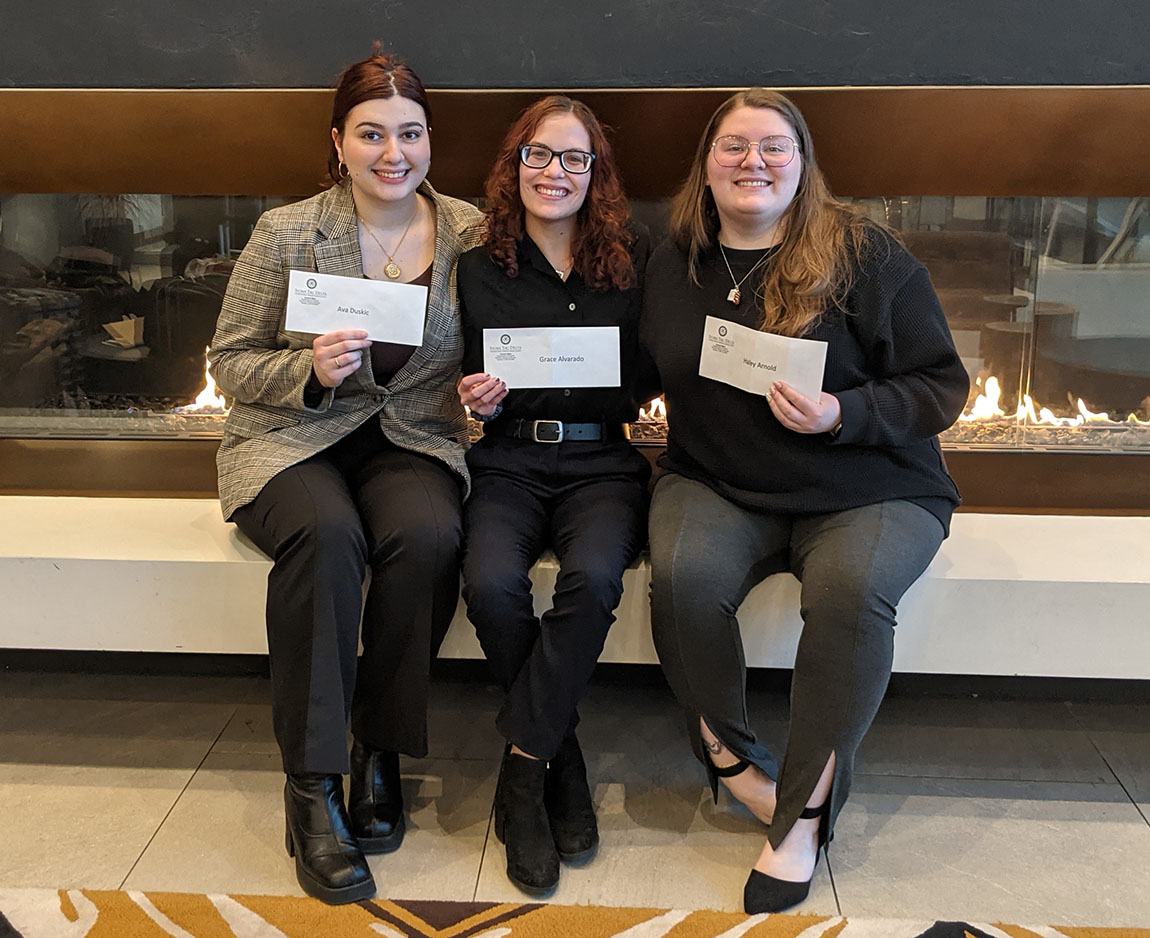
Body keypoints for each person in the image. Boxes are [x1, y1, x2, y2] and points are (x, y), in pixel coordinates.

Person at [640, 88, 969, 914]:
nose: (754, 162)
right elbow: (632, 368)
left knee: (850, 594)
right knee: (679, 577)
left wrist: (844, 413)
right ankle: (736, 767)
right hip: (718, 480)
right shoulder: (672, 260)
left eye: (774, 147)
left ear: (803, 162)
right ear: (706, 166)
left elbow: (942, 385)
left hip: (871, 486)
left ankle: (802, 815)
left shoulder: (865, 254)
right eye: (734, 147)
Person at [207, 49, 483, 904]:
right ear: (339, 142)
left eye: (410, 132)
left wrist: (489, 387)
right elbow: (228, 357)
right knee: (327, 535)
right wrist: (310, 372)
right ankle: (312, 784)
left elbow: (496, 344)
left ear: (431, 139)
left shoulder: (472, 231)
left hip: (412, 437)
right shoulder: (289, 230)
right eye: (371, 134)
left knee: (428, 533)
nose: (392, 152)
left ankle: (380, 746)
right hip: (294, 437)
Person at [455, 95, 651, 895]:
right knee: (490, 583)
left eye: (574, 159)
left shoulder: (634, 264)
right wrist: (474, 395)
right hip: (506, 460)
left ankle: (521, 777)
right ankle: (557, 751)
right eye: (539, 155)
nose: (555, 172)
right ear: (516, 166)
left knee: (594, 579)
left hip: (603, 463)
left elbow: (653, 373)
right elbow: (455, 373)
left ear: (595, 173)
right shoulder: (477, 267)